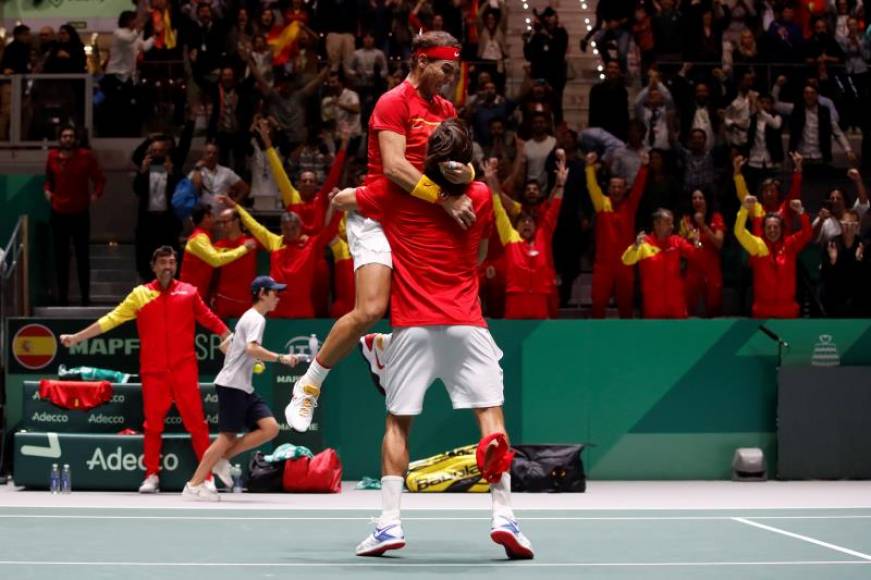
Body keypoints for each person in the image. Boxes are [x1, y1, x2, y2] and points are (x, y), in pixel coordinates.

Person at [332, 119, 534, 560]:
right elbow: (480, 252)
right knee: (490, 417)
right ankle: (505, 517)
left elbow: (347, 198)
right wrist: (474, 179)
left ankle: (388, 524)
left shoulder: (397, 193)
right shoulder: (479, 196)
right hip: (467, 324)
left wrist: (352, 192)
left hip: (414, 325)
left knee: (397, 424)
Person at [285, 31, 475, 431]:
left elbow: (460, 160)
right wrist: (445, 199)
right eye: (445, 68)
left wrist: (468, 174)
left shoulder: (445, 108)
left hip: (415, 220)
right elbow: (394, 167)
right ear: (421, 60)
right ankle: (309, 385)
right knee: (371, 309)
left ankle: (379, 347)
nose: (449, 77)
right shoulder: (392, 103)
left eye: (454, 71)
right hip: (376, 216)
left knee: (425, 312)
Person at [59, 246, 231, 493]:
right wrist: (77, 337)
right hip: (154, 372)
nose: (167, 267)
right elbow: (111, 319)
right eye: (162, 262)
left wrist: (228, 334)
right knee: (153, 425)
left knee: (196, 424)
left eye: (171, 262)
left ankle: (206, 478)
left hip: (184, 370)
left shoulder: (189, 292)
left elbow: (209, 318)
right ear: (153, 266)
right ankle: (151, 475)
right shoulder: (139, 295)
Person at [183, 276, 295, 500]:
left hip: (243, 386)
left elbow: (226, 345)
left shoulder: (249, 318)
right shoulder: (256, 319)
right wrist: (280, 358)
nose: (278, 297)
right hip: (232, 385)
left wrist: (249, 359)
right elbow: (252, 348)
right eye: (275, 292)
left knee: (270, 427)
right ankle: (194, 485)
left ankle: (223, 459)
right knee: (226, 436)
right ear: (262, 293)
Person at [485, 154, 566, 319]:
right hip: (516, 299)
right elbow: (499, 209)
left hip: (540, 298)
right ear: (516, 226)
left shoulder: (543, 235)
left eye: (530, 222)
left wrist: (560, 184)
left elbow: (554, 209)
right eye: (523, 222)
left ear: (536, 226)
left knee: (542, 342)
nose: (527, 224)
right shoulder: (510, 237)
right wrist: (491, 182)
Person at [44, 126, 106, 306]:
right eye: (65, 136)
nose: (68, 139)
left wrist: (96, 194)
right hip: (58, 212)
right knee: (61, 257)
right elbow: (48, 179)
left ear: (75, 139)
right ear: (59, 138)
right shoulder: (52, 156)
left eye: (71, 136)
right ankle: (62, 298)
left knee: (82, 256)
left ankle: (85, 298)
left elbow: (100, 179)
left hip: (80, 212)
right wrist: (47, 191)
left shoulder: (86, 156)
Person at [586, 151, 649, 318]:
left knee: (626, 307)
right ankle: (596, 339)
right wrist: (589, 168)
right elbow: (592, 187)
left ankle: (626, 340)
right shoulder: (601, 204)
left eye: (619, 187)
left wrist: (643, 167)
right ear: (609, 189)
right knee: (598, 304)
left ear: (624, 189)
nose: (616, 190)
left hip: (625, 264)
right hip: (603, 265)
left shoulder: (630, 205)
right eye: (613, 187)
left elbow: (639, 188)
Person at [734, 196, 813, 319]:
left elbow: (807, 233)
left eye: (776, 227)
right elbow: (739, 232)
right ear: (763, 229)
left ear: (782, 229)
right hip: (762, 312)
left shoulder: (790, 244)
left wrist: (801, 212)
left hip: (788, 311)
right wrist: (744, 209)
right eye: (768, 227)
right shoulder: (757, 245)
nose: (772, 230)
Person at [622, 209, 700, 319]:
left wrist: (697, 242)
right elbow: (626, 260)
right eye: (668, 223)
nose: (672, 226)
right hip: (653, 307)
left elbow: (696, 256)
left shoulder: (677, 241)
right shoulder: (644, 243)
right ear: (656, 224)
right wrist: (635, 246)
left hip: (676, 306)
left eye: (672, 223)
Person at [180, 203, 256, 303]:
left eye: (225, 222)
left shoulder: (203, 237)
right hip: (191, 295)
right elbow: (216, 260)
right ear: (206, 217)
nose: (217, 223)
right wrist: (244, 248)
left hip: (197, 294)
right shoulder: (199, 238)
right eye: (212, 215)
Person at [680, 189, 725, 317]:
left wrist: (703, 225)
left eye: (701, 198)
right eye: (694, 198)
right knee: (687, 309)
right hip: (692, 270)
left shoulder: (716, 217)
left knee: (714, 309)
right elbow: (681, 247)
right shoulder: (686, 220)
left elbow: (719, 243)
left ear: (707, 200)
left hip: (712, 269)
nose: (697, 201)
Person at [213, 208, 260, 319]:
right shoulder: (218, 246)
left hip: (245, 301)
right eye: (220, 223)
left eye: (225, 222)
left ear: (237, 221)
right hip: (223, 301)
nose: (222, 226)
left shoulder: (253, 242)